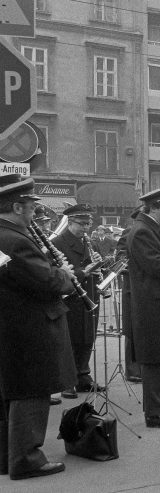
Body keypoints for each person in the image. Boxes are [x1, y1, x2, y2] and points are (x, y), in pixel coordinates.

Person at [0, 174, 76, 480]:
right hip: (30, 326)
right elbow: (44, 280)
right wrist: (65, 275)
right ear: (18, 206)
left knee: (12, 391)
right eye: (31, 206)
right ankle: (26, 458)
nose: (34, 212)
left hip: (11, 325)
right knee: (32, 391)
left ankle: (8, 455)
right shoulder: (15, 240)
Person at [127, 186, 160, 430]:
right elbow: (156, 266)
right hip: (153, 304)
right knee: (153, 361)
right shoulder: (141, 231)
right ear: (153, 207)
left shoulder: (151, 228)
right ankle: (155, 414)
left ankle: (159, 409)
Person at [52, 204, 104, 398]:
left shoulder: (89, 242)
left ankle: (83, 376)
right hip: (71, 297)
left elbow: (97, 266)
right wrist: (85, 270)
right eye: (82, 224)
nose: (86, 228)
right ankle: (68, 381)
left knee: (88, 336)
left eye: (88, 223)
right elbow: (58, 272)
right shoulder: (58, 242)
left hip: (89, 293)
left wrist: (100, 268)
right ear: (70, 222)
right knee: (71, 338)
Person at [116, 208, 142, 384]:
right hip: (132, 289)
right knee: (133, 331)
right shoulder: (129, 233)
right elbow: (119, 260)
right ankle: (132, 370)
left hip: (144, 289)